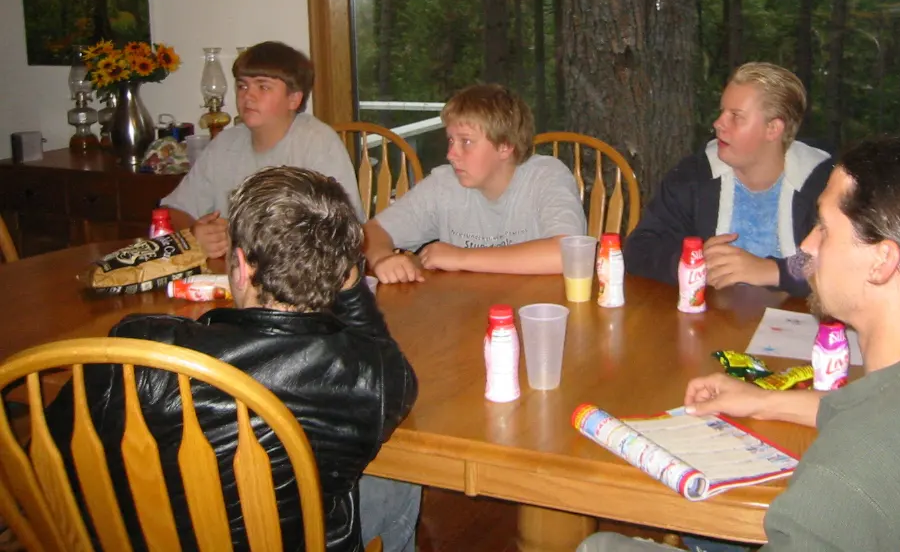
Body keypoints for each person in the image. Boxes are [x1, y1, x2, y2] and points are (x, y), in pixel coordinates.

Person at [579, 135, 900, 552]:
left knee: (599, 545)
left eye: (823, 227)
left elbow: (865, 448)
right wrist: (761, 401)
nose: (806, 245)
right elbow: (860, 407)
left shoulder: (856, 467)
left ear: (882, 261)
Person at [46, 166, 418, 551]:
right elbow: (387, 359)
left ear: (240, 267)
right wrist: (354, 290)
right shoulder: (373, 375)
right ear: (340, 272)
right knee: (402, 484)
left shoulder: (140, 347)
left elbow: (54, 454)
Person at [624, 63, 832, 296]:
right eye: (722, 111)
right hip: (710, 323)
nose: (718, 123)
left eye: (735, 116)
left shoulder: (825, 186)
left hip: (800, 326)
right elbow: (638, 249)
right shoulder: (693, 177)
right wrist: (689, 262)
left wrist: (774, 271)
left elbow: (847, 263)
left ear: (773, 129)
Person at [364, 83, 587, 283]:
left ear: (505, 146)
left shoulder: (546, 177)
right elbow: (373, 231)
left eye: (466, 141)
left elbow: (569, 254)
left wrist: (462, 257)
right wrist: (382, 257)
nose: (451, 154)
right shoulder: (444, 185)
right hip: (466, 313)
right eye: (451, 140)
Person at [162, 41, 363, 259]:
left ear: (294, 99)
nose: (248, 96)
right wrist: (194, 234)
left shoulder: (318, 144)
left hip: (300, 276)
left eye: (263, 87)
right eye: (242, 86)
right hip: (234, 275)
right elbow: (172, 212)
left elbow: (344, 231)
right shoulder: (224, 144)